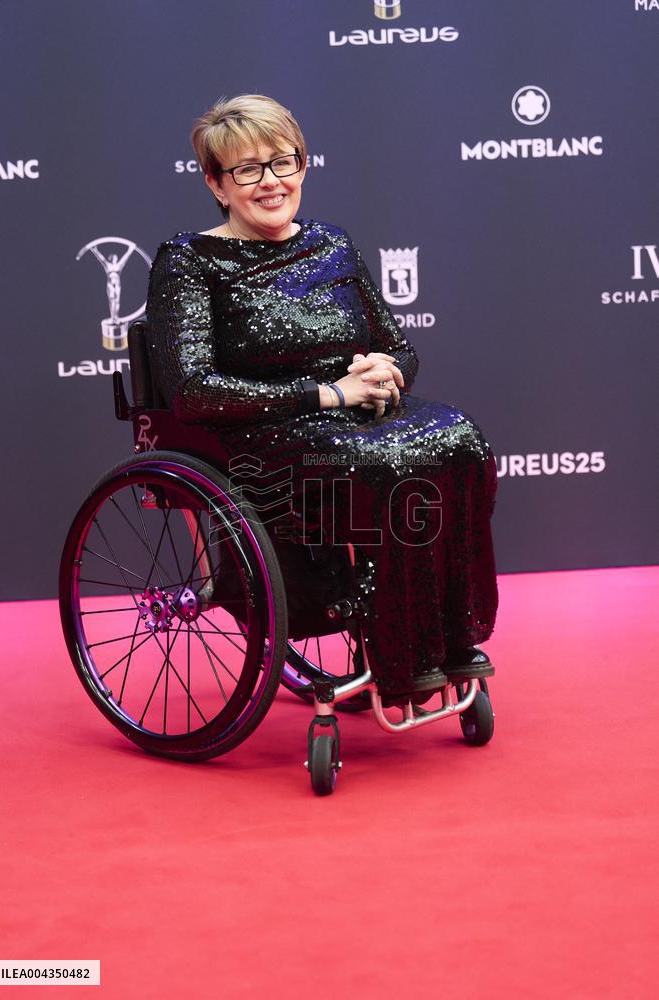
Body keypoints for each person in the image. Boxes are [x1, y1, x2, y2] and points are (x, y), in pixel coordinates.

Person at [146, 94, 498, 706]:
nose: (271, 182)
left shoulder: (332, 244)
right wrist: (329, 392)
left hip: (355, 418)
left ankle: (450, 636)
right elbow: (193, 390)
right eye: (247, 169)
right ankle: (402, 647)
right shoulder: (190, 261)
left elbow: (399, 347)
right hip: (261, 435)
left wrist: (386, 367)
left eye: (284, 162)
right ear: (215, 183)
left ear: (303, 165)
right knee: (391, 467)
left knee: (461, 438)